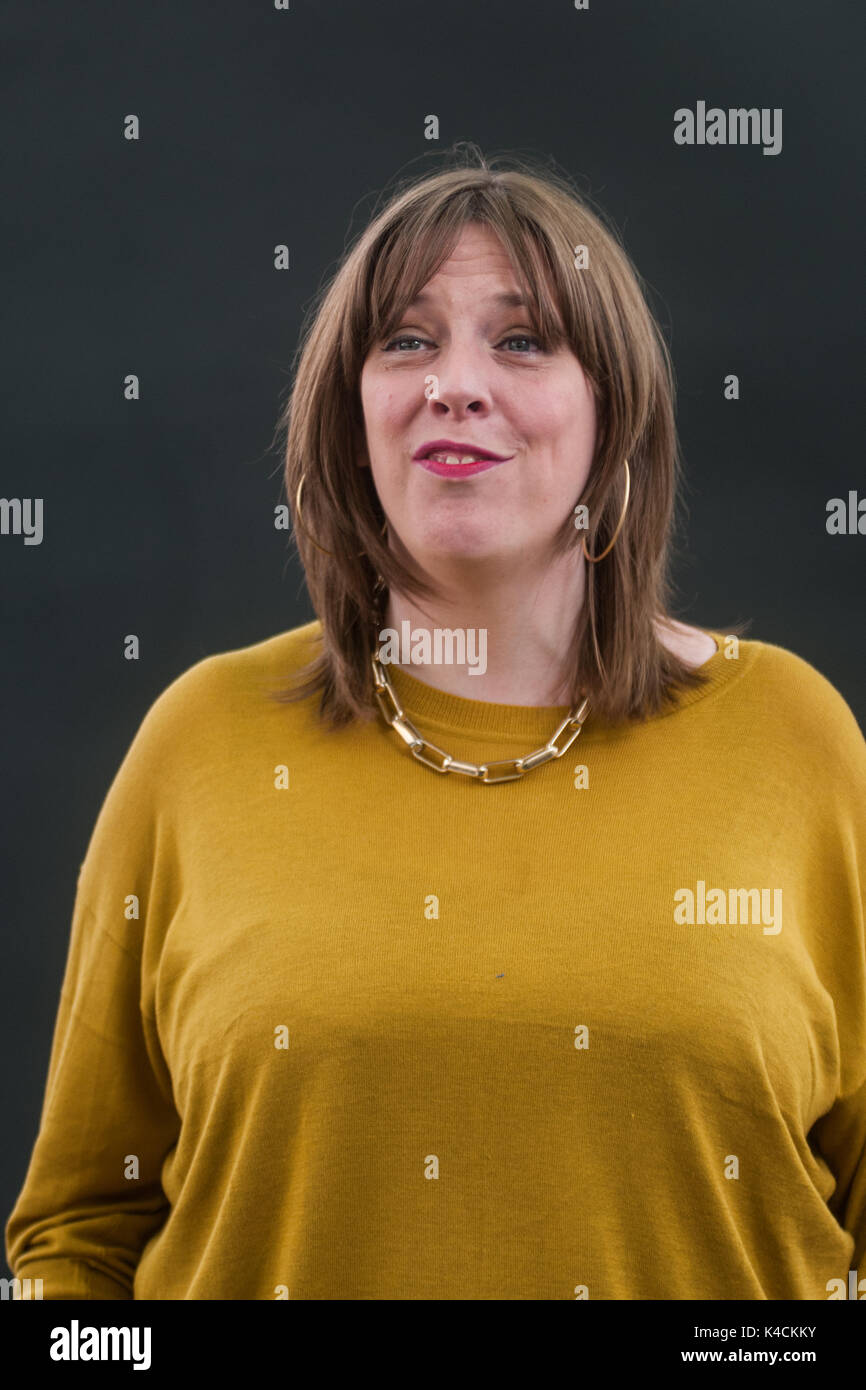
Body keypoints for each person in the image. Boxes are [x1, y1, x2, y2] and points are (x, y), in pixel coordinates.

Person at [6, 150, 866, 1300]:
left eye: (520, 340)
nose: (453, 384)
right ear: (349, 417)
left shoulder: (794, 739)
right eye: (405, 340)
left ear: (612, 415)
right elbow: (77, 1231)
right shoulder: (199, 743)